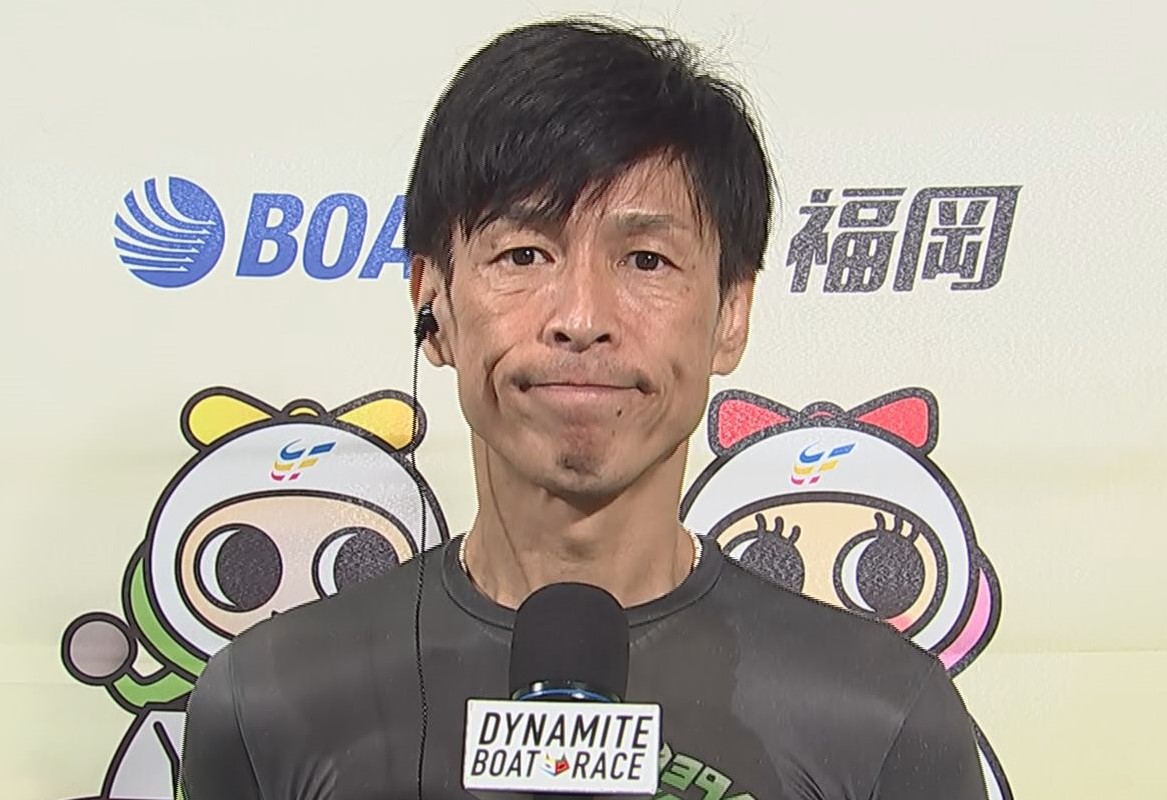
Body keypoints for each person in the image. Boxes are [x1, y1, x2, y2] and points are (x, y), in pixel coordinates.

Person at [178, 17, 987, 800]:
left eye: (646, 260)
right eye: (524, 254)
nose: (582, 316)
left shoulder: (881, 717)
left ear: (731, 314)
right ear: (433, 303)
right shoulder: (267, 704)